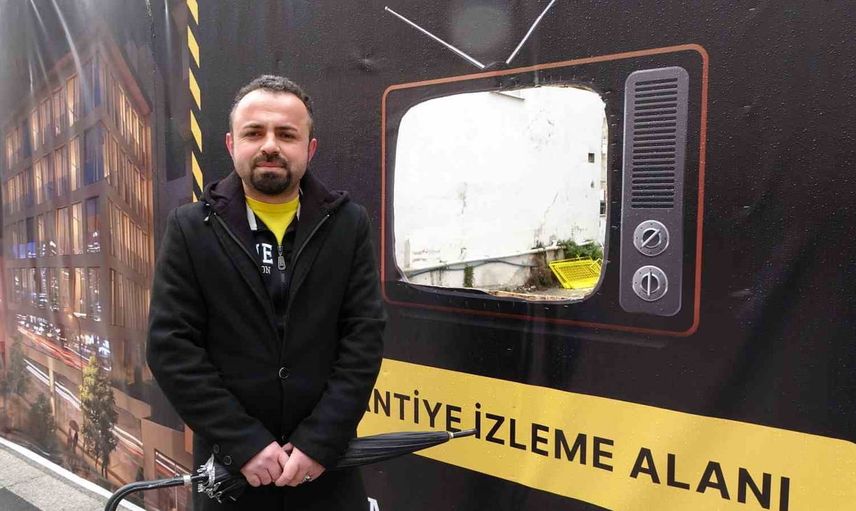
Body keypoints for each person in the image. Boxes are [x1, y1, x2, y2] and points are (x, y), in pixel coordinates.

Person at [147, 75, 386, 510]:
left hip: (326, 472)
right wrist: (243, 442)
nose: (270, 145)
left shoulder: (348, 225)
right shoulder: (190, 229)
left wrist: (320, 441)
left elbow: (363, 338)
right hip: (231, 476)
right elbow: (171, 348)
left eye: (287, 134)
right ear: (231, 144)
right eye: (254, 133)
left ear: (310, 148)